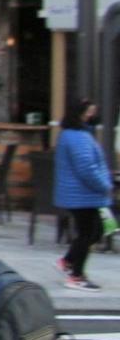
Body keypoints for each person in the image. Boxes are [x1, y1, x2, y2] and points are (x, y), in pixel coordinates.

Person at [56, 96, 114, 292]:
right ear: (80, 113)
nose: (92, 115)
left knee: (94, 231)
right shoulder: (78, 137)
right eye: (89, 112)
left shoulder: (71, 134)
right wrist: (105, 184)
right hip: (82, 195)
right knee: (88, 233)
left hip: (80, 195)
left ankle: (68, 261)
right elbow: (86, 169)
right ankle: (76, 275)